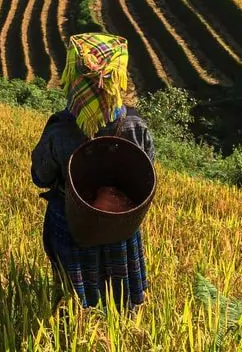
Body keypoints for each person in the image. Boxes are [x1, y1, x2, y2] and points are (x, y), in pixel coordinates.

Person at [30, 33, 155, 311]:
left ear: (72, 75)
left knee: (74, 299)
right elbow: (147, 173)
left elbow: (40, 176)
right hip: (120, 226)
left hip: (72, 224)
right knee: (120, 297)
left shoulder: (59, 131)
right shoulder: (136, 127)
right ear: (117, 78)